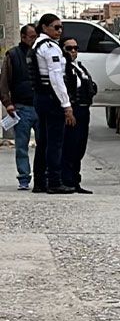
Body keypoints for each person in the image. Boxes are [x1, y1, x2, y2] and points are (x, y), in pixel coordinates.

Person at [28, 13, 76, 194]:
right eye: (56, 27)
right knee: (55, 142)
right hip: (51, 98)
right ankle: (54, 181)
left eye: (61, 27)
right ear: (44, 27)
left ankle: (40, 181)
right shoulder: (50, 48)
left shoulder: (38, 45)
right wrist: (66, 105)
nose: (59, 31)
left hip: (41, 98)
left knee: (43, 141)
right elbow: (56, 78)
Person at [0, 24, 39, 190]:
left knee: (44, 145)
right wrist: (8, 103)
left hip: (40, 106)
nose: (34, 39)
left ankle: (43, 177)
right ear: (23, 37)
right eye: (31, 36)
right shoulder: (13, 55)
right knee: (21, 146)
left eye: (35, 36)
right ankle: (24, 178)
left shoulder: (40, 53)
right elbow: (3, 82)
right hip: (21, 108)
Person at [61, 38, 96, 194]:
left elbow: (90, 85)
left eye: (76, 48)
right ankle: (67, 180)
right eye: (69, 48)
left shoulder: (79, 67)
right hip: (72, 109)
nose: (73, 51)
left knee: (80, 146)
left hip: (84, 109)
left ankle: (75, 180)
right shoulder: (63, 68)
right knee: (70, 146)